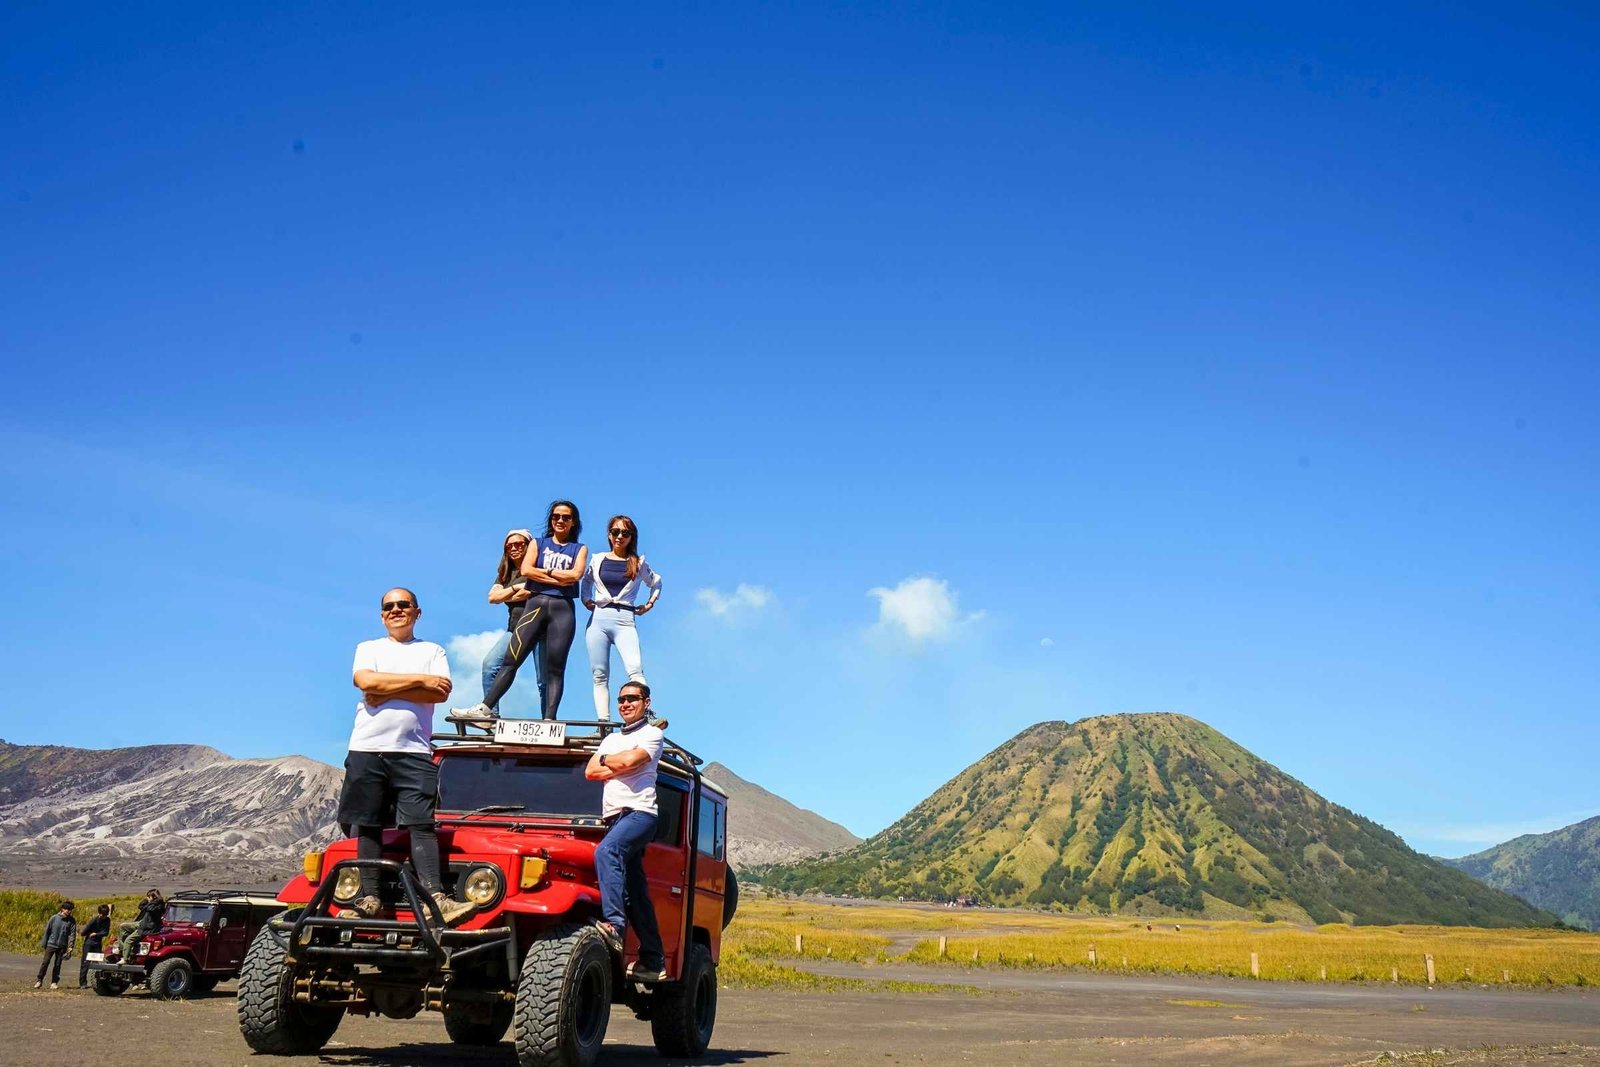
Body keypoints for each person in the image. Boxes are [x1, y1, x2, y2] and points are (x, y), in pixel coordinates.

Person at [337, 587, 474, 925]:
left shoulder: (432, 649)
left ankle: (435, 898)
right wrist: (418, 680)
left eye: (403, 604)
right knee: (367, 825)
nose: (396, 610)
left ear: (417, 611)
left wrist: (384, 689)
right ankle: (370, 898)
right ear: (382, 614)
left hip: (413, 750)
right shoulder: (368, 648)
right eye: (388, 606)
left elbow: (439, 691)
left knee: (421, 825)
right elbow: (365, 681)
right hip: (367, 747)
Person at [460, 501, 587, 722]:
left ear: (573, 522)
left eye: (566, 517)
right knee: (511, 660)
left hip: (562, 609)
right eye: (556, 516)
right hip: (535, 606)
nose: (560, 521)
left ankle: (549, 719)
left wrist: (543, 574)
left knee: (554, 670)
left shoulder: (580, 549)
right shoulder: (538, 544)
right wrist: (557, 576)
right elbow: (527, 569)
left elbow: (576, 575)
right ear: (551, 520)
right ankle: (486, 708)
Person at [584, 680, 666, 982]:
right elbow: (590, 772)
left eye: (632, 698)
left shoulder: (653, 734)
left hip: (640, 814)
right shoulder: (610, 740)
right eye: (621, 699)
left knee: (607, 851)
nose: (625, 704)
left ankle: (615, 926)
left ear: (646, 702)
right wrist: (615, 762)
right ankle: (653, 959)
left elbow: (632, 760)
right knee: (635, 892)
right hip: (614, 818)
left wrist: (614, 763)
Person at [580, 515, 662, 720]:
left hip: (625, 619)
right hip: (598, 620)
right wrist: (586, 599)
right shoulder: (598, 559)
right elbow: (587, 580)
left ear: (631, 536)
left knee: (634, 669)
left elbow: (656, 583)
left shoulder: (638, 562)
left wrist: (649, 604)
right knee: (599, 674)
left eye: (625, 533)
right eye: (615, 532)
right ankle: (603, 723)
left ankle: (646, 715)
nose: (619, 536)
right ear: (609, 534)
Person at [451, 529, 536, 722]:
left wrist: (507, 593)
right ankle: (490, 714)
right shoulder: (506, 573)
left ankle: (549, 720)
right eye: (509, 545)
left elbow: (529, 592)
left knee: (543, 678)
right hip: (514, 628)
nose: (514, 548)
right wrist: (515, 588)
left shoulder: (534, 567)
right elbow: (492, 597)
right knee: (490, 665)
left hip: (539, 628)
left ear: (528, 545)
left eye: (519, 544)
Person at [34, 901, 76, 990]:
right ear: (62, 909)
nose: (69, 911)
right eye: (67, 909)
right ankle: (39, 980)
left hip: (62, 946)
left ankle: (54, 982)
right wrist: (44, 944)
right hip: (51, 944)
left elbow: (72, 935)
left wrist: (70, 947)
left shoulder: (71, 921)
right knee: (45, 962)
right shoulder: (54, 918)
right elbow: (47, 931)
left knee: (57, 964)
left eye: (70, 910)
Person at [114, 889, 164, 960]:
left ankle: (126, 956)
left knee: (129, 940)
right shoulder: (153, 904)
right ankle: (123, 949)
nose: (147, 898)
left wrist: (151, 902)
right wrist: (147, 899)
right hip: (142, 923)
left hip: (147, 927)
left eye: (149, 897)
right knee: (122, 926)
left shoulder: (158, 906)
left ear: (154, 897)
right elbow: (141, 906)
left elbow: (148, 908)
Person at [77, 903, 111, 988]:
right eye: (103, 915)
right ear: (99, 913)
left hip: (97, 944)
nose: (104, 916)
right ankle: (83, 983)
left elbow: (106, 933)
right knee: (85, 963)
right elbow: (83, 932)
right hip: (89, 943)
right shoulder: (94, 920)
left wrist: (96, 934)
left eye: (106, 915)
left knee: (96, 963)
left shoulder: (107, 920)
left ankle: (97, 982)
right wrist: (90, 934)